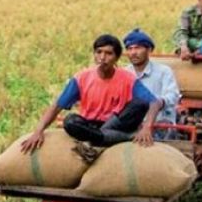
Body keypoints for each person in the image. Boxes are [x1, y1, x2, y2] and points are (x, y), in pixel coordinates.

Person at [20, 34, 161, 153]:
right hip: (89, 126)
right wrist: (38, 131)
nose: (102, 57)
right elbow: (57, 106)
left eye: (108, 53)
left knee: (140, 103)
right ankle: (125, 137)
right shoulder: (82, 78)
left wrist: (147, 127)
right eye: (99, 52)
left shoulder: (128, 78)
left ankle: (102, 138)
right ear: (94, 54)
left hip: (117, 122)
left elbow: (154, 102)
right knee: (70, 121)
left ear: (117, 58)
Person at [122, 28, 182, 140]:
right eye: (130, 49)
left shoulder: (164, 71)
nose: (133, 53)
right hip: (132, 125)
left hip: (159, 124)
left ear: (149, 50)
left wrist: (160, 102)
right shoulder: (124, 73)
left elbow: (172, 95)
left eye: (138, 48)